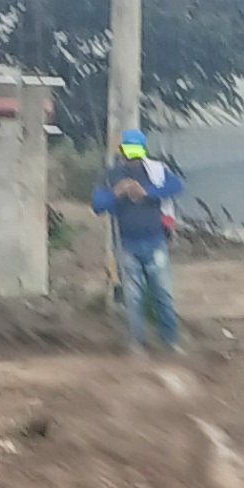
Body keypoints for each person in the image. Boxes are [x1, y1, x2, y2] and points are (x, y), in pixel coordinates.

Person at [96, 135, 185, 351]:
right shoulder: (111, 175)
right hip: (126, 244)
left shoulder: (156, 170)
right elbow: (98, 205)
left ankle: (170, 341)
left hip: (155, 241)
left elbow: (176, 186)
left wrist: (147, 192)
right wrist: (116, 193)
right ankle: (137, 342)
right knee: (132, 298)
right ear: (123, 151)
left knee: (163, 294)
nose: (133, 158)